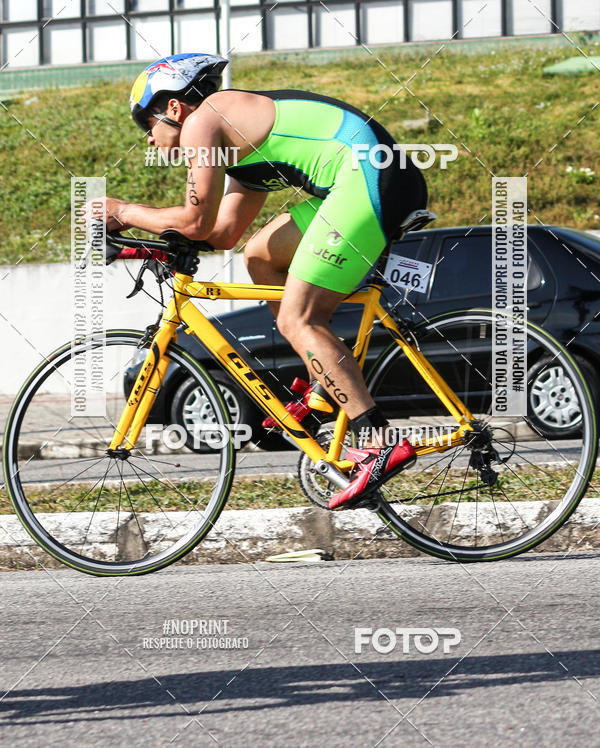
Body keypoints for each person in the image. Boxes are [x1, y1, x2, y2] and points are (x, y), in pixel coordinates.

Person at [100, 52, 428, 509]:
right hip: (365, 176)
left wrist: (124, 212)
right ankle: (326, 384)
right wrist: (142, 241)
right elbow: (223, 234)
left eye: (147, 126)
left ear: (173, 108)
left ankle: (377, 440)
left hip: (368, 178)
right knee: (260, 257)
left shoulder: (203, 123)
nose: (150, 142)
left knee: (299, 318)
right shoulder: (237, 146)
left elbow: (195, 222)